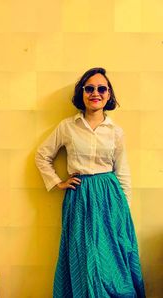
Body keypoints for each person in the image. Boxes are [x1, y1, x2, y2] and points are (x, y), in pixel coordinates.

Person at [35, 67, 145, 297]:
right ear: (82, 93)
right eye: (90, 88)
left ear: (109, 95)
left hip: (110, 199)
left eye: (102, 88)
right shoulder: (67, 126)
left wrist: (124, 210)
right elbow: (42, 155)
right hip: (80, 198)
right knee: (83, 254)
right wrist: (58, 182)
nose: (96, 93)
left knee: (112, 257)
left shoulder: (115, 131)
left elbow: (122, 171)